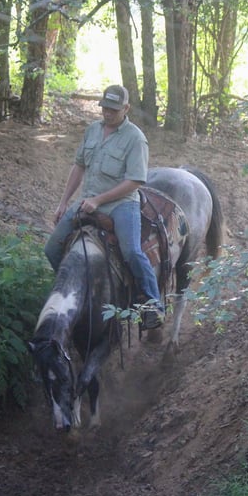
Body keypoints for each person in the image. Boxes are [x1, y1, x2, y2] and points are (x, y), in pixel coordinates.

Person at [44, 84, 165, 329]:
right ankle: (74, 291)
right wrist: (64, 201)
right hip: (87, 200)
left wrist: (99, 201)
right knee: (52, 249)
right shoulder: (92, 131)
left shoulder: (135, 138)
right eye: (105, 108)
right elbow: (79, 166)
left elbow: (135, 180)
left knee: (131, 251)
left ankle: (153, 304)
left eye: (113, 109)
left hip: (121, 204)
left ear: (126, 108)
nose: (107, 113)